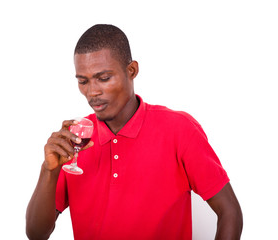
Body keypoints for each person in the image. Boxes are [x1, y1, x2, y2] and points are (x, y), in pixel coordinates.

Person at [26, 24, 243, 240]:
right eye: (83, 81)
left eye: (103, 78)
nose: (92, 92)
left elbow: (229, 212)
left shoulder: (179, 129)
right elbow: (36, 234)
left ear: (132, 71)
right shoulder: (75, 140)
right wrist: (49, 171)